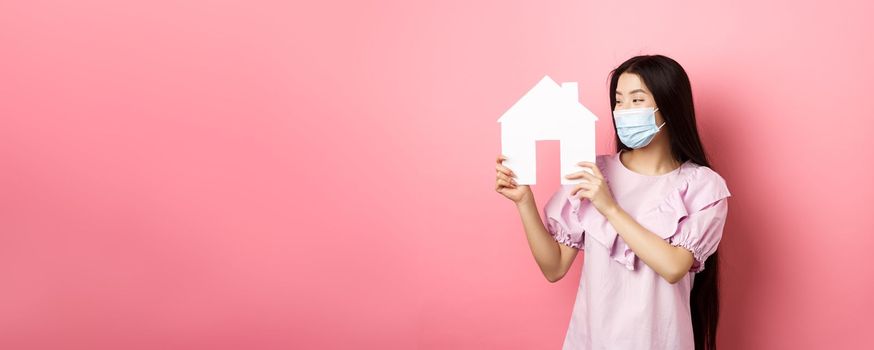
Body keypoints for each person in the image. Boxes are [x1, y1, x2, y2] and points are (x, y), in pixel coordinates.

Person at [495, 54, 731, 350]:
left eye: (637, 100)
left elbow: (673, 267)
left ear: (669, 106)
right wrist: (524, 201)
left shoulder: (703, 186)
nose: (623, 111)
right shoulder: (592, 173)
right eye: (618, 101)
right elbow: (554, 268)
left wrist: (609, 207)